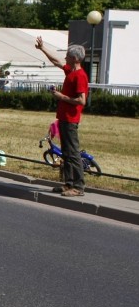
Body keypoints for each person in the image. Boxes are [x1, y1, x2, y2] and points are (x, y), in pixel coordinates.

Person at [36, 36, 89, 197]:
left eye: (67, 56)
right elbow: (56, 62)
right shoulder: (71, 71)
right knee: (66, 153)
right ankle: (69, 183)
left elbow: (82, 100)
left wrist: (60, 96)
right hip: (64, 118)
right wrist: (42, 48)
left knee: (73, 153)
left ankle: (78, 187)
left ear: (74, 58)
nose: (65, 58)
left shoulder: (80, 75)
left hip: (71, 119)